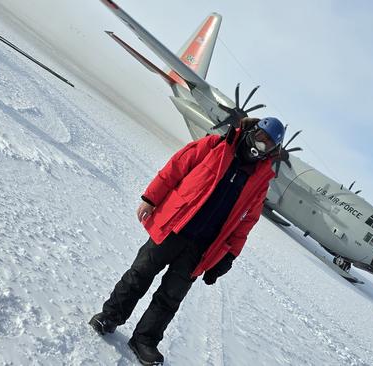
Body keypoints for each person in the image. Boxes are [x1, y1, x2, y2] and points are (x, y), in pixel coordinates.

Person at [89, 117, 285, 365]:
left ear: (272, 151)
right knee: (140, 273)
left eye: (268, 144)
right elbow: (177, 167)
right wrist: (150, 198)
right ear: (251, 131)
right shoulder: (215, 145)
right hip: (175, 226)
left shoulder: (258, 182)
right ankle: (110, 316)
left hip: (201, 248)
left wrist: (228, 258)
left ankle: (144, 341)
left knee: (170, 297)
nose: (261, 144)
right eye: (260, 137)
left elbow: (246, 223)